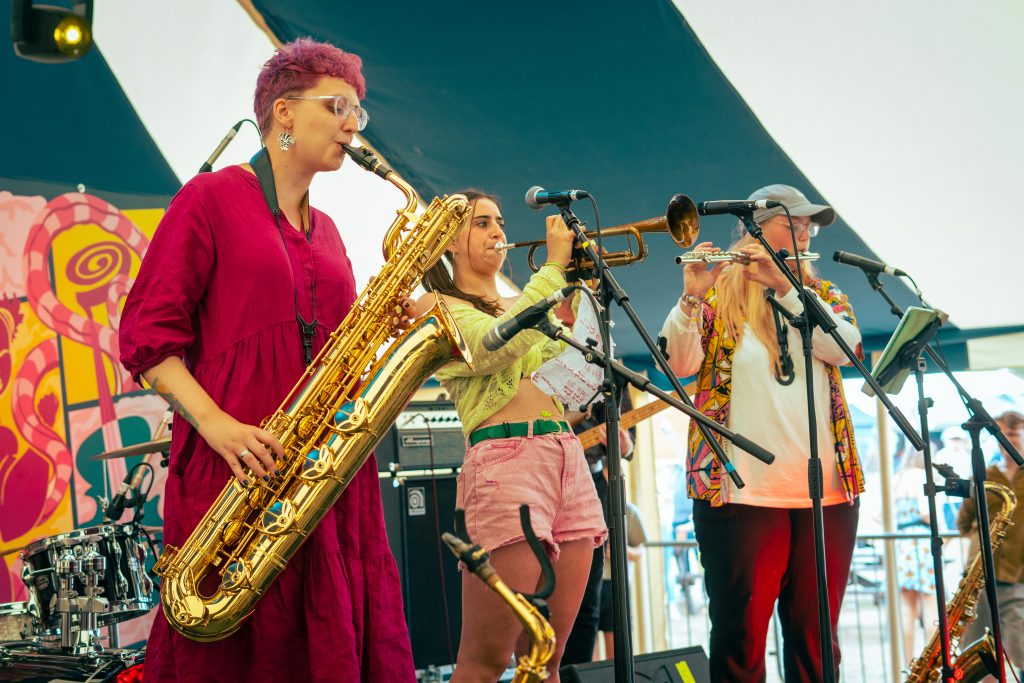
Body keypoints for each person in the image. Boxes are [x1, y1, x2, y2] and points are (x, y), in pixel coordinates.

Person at [119, 39, 415, 682]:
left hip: (323, 476)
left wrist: (382, 324)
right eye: (338, 106)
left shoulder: (331, 229)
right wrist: (218, 425)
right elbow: (147, 341)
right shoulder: (209, 198)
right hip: (236, 469)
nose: (352, 125)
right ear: (283, 112)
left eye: (358, 112)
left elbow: (332, 345)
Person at [658, 184, 864, 682]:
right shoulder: (716, 293)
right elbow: (678, 364)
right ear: (755, 226)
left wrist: (790, 289)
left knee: (817, 640)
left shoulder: (824, 296)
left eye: (807, 227)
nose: (803, 232)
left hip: (826, 495)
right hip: (741, 494)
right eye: (792, 223)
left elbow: (848, 350)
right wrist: (691, 294)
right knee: (740, 638)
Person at [416, 191, 607, 682]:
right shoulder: (438, 307)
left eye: (499, 221)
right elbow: (491, 347)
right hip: (505, 463)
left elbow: (573, 372)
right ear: (449, 242)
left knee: (547, 660)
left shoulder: (519, 301)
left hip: (566, 455)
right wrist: (556, 268)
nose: (498, 231)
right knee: (485, 662)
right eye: (481, 224)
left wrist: (587, 297)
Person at [957, 410, 1024, 674]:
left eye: (1013, 434)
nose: (1007, 441)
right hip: (981, 575)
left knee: (1020, 647)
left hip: (1018, 576)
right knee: (977, 651)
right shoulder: (983, 475)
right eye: (1002, 435)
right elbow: (963, 523)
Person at [892, 448, 937, 659]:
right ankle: (931, 664)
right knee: (930, 608)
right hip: (922, 543)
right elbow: (925, 512)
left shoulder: (897, 478)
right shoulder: (921, 477)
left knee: (907, 611)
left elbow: (880, 514)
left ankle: (908, 665)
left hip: (902, 544)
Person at [594, 498, 647, 661]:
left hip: (616, 584)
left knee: (616, 653)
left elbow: (640, 551)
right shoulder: (588, 508)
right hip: (590, 585)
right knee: (589, 650)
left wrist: (623, 550)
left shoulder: (629, 511)